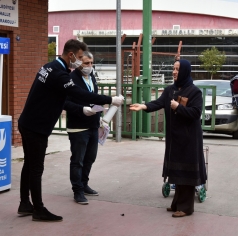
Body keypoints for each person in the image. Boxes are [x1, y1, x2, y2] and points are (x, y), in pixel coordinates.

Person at [17, 39, 123, 222]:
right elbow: (79, 94)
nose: (81, 61)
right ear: (71, 55)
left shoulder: (49, 67)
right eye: (80, 57)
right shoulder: (59, 74)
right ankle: (38, 209)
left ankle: (25, 204)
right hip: (36, 127)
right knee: (36, 168)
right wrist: (110, 99)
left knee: (29, 165)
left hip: (28, 122)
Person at [129, 59, 207, 218]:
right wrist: (144, 106)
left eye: (178, 69)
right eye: (173, 68)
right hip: (174, 138)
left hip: (189, 139)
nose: (174, 71)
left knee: (187, 172)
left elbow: (196, 113)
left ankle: (186, 208)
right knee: (178, 170)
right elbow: (159, 103)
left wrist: (178, 107)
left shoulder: (194, 92)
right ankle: (177, 204)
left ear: (185, 71)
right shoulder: (170, 90)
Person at [63, 51, 102, 205]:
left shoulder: (91, 77)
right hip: (78, 126)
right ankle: (77, 190)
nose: (89, 66)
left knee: (90, 157)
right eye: (86, 63)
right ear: (79, 63)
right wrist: (82, 109)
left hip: (93, 125)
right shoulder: (71, 79)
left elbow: (93, 99)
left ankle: (84, 184)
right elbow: (65, 102)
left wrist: (101, 115)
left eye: (91, 63)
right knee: (77, 160)